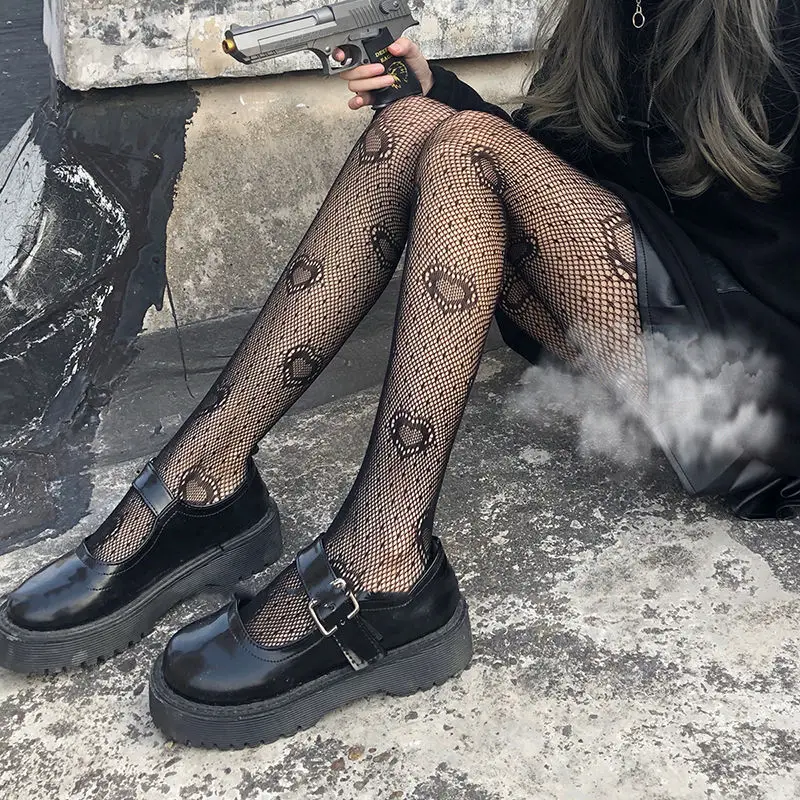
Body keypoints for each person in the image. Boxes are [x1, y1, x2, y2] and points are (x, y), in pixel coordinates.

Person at [1, 0, 798, 748]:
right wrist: (435, 92)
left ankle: (383, 562)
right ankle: (204, 478)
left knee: (468, 149)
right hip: (649, 340)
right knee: (419, 123)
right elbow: (573, 182)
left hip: (754, 400)